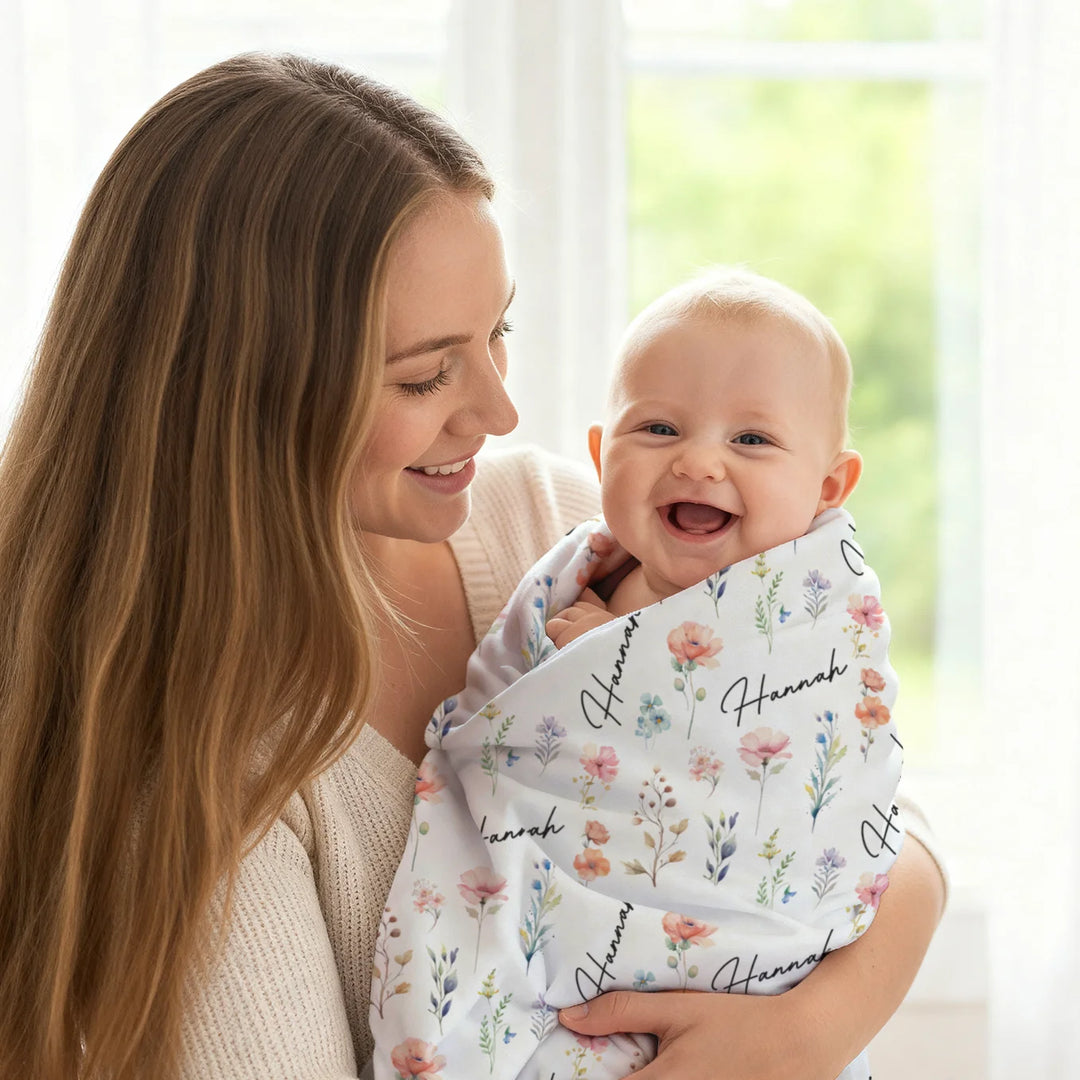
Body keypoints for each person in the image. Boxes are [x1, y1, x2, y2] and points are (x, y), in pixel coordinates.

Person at [0, 53, 945, 1080]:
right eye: (426, 375)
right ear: (243, 389)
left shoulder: (568, 527)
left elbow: (872, 811)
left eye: (499, 333)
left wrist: (807, 1033)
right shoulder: (196, 769)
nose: (500, 410)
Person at [369, 269, 907, 1080]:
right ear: (601, 455)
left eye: (751, 440)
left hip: (753, 975)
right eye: (658, 428)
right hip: (580, 979)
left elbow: (845, 777)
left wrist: (615, 652)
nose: (699, 461)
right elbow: (512, 738)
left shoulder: (811, 613)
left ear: (827, 486)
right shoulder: (577, 570)